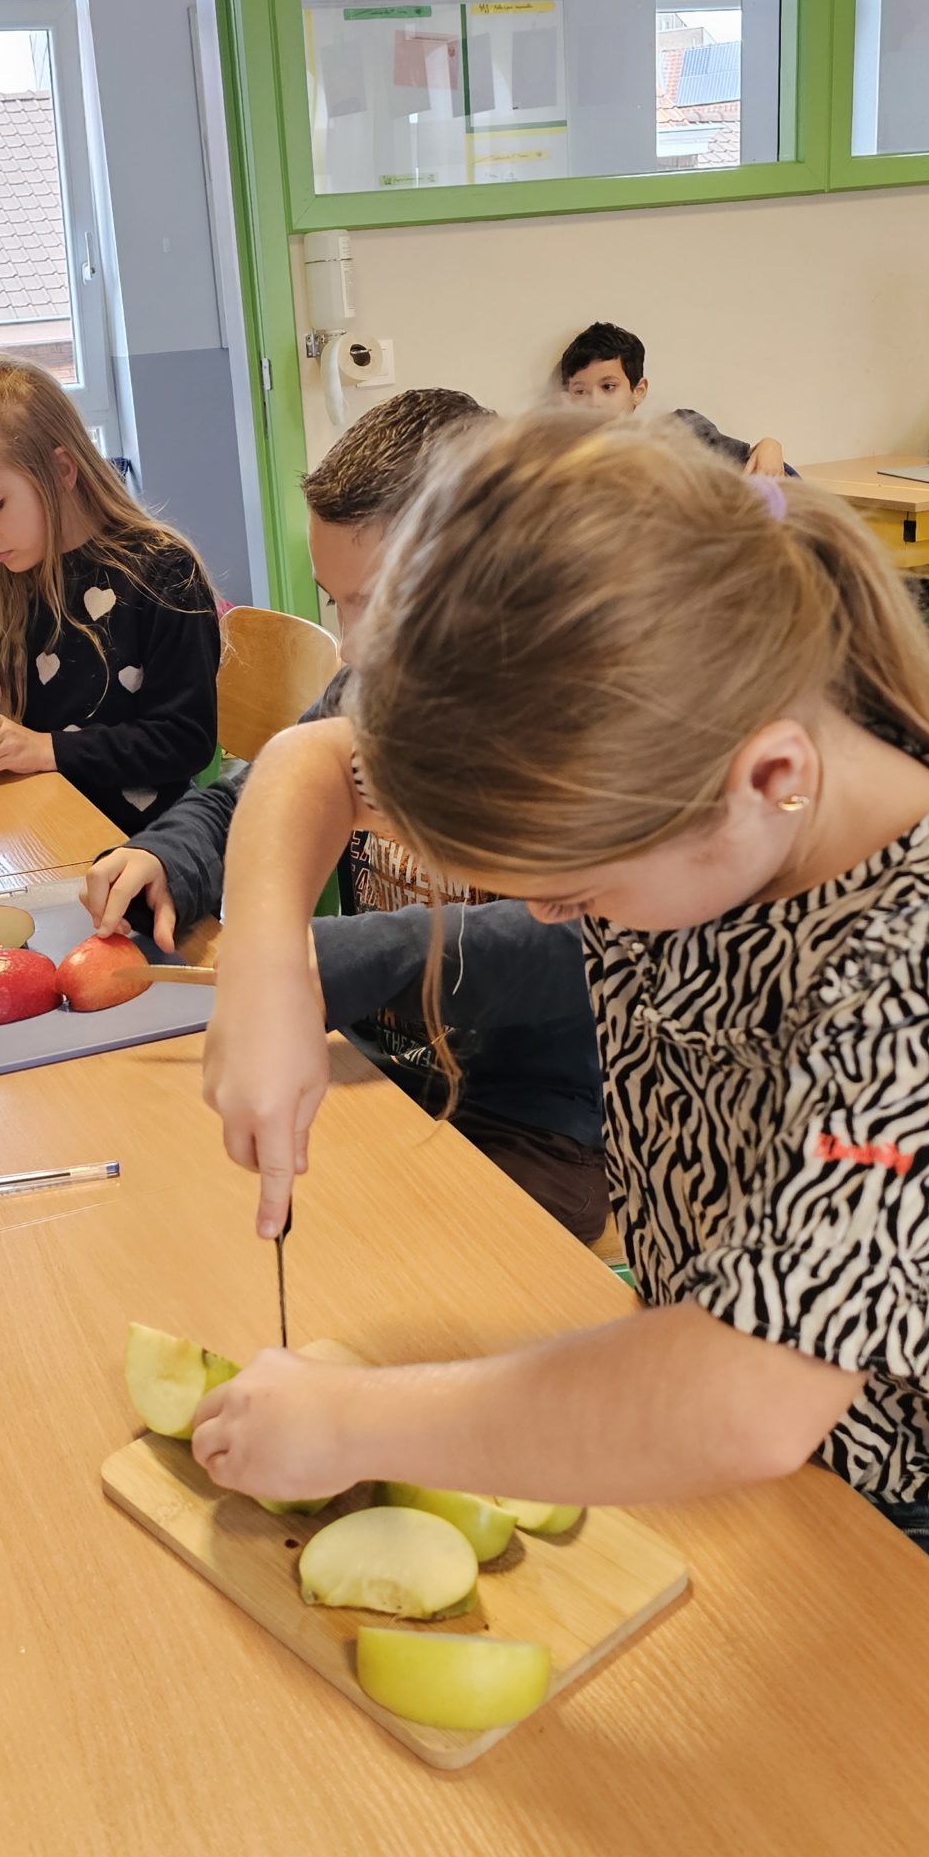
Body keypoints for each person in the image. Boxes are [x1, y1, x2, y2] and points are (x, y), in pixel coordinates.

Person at [193, 415, 929, 1686]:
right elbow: (317, 760)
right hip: (718, 1445)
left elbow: (747, 1393)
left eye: (579, 893)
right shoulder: (684, 750)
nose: (555, 917)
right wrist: (269, 967)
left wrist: (351, 1422)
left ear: (770, 779)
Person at [84, 388, 608, 1240]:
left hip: (530, 1119)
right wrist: (171, 857)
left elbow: (587, 939)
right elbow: (268, 786)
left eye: (383, 601)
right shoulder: (375, 680)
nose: (356, 645)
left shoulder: (579, 716)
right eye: (338, 602)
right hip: (374, 1062)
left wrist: (346, 956)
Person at [0, 346, 220, 833]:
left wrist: (46, 750)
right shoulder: (2, 570)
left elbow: (185, 741)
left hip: (142, 845)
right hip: (38, 824)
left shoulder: (163, 572)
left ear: (61, 471)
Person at [558, 320, 787, 477]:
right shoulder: (570, 467)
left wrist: (769, 446)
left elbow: (763, 471)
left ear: (638, 390)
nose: (594, 403)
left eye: (608, 387)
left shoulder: (683, 429)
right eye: (580, 391)